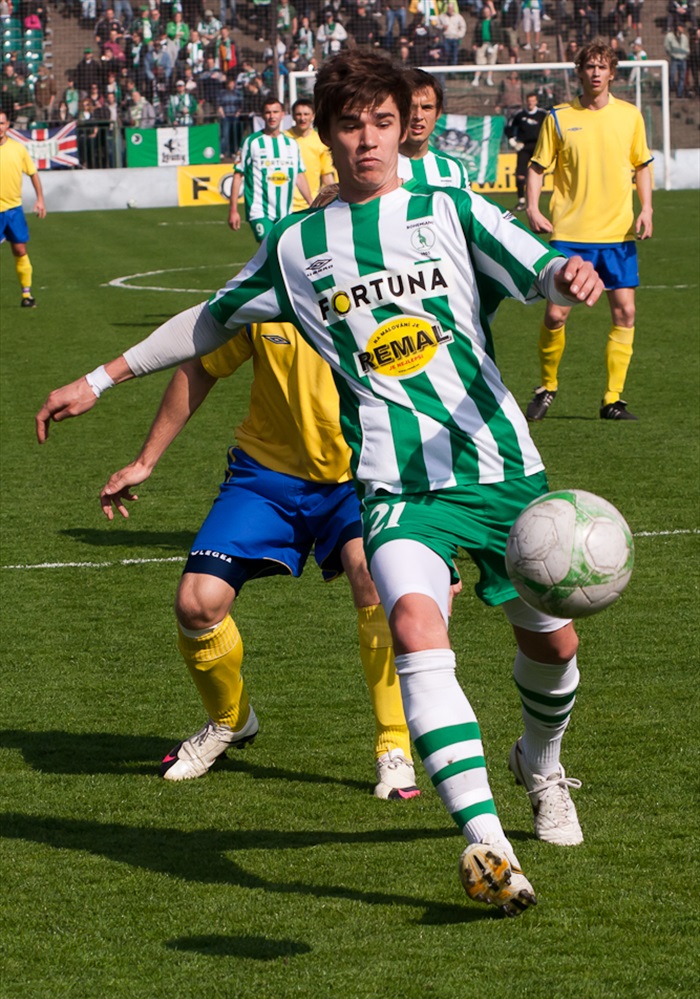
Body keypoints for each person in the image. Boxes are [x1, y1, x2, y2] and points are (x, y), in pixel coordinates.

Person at [36, 52, 605, 918]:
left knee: (554, 648)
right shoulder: (298, 246)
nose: (369, 140)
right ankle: (486, 842)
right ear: (325, 131)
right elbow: (209, 319)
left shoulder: (448, 207)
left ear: (399, 125)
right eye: (351, 125)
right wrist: (101, 377)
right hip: (395, 488)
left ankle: (542, 764)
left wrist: (571, 276)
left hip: (500, 470)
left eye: (382, 122)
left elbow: (540, 267)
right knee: (413, 621)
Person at [97, 320, 420, 799]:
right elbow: (201, 365)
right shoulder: (264, 290)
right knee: (196, 603)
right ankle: (230, 721)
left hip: (365, 475)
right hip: (265, 477)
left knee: (374, 577)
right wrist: (146, 460)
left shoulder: (380, 287)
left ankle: (393, 745)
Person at [525, 39, 653, 422]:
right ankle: (547, 386)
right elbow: (537, 167)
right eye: (589, 66)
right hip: (571, 234)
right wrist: (532, 207)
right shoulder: (559, 117)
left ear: (612, 73)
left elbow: (642, 165)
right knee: (556, 316)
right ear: (579, 72)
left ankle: (612, 399)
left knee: (625, 313)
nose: (596, 73)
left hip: (617, 234)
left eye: (602, 66)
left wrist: (646, 208)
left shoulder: (630, 116)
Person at [228, 97, 312, 243]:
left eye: (275, 112)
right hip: (259, 211)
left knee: (281, 254)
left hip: (285, 212)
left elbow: (299, 175)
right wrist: (233, 210)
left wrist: (311, 203)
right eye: (268, 112)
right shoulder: (252, 142)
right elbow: (238, 175)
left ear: (282, 114)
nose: (272, 116)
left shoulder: (291, 144)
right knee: (270, 248)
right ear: (262, 115)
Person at [0, 109, 46, 307]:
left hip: (14, 210)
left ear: (7, 125)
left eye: (1, 123)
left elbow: (33, 173)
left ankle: (26, 295)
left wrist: (40, 199)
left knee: (20, 250)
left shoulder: (18, 149)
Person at [397, 67, 470, 188]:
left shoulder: (452, 168)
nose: (418, 116)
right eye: (410, 107)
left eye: (427, 108)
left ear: (438, 113)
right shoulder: (378, 167)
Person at [287, 96, 335, 211]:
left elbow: (326, 175)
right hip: (286, 203)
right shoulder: (283, 139)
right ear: (293, 116)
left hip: (311, 202)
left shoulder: (320, 141)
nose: (302, 118)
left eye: (306, 114)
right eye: (298, 114)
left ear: (313, 116)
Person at [506, 91, 547, 211]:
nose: (531, 103)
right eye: (529, 101)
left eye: (533, 101)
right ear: (526, 102)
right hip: (523, 147)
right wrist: (513, 142)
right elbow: (509, 128)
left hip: (537, 147)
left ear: (536, 101)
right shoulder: (519, 114)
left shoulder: (542, 114)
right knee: (520, 175)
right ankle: (521, 201)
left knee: (537, 173)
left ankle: (535, 202)